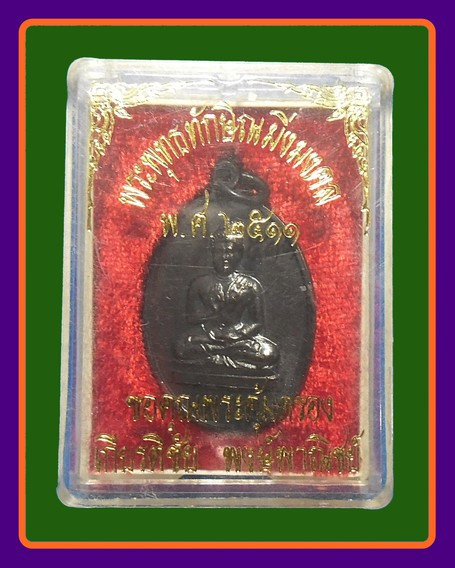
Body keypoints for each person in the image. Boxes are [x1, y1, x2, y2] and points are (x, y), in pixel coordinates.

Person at [175, 231, 278, 370]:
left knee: (269, 352)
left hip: (238, 337)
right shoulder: (199, 283)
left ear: (238, 254)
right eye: (219, 252)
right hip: (209, 336)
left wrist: (236, 334)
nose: (224, 257)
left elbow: (257, 323)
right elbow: (191, 318)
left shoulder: (251, 285)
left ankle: (216, 357)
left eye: (229, 252)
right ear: (212, 254)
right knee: (181, 346)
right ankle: (228, 356)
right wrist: (214, 316)